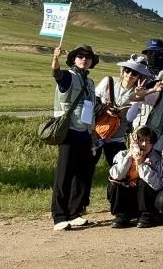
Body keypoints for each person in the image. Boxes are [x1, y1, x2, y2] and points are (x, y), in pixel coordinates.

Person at [50, 44, 99, 231]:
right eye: (80, 56)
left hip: (85, 132)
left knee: (82, 174)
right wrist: (55, 58)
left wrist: (92, 133)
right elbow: (56, 74)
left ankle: (74, 213)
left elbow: (91, 108)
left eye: (88, 57)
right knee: (64, 174)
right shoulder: (68, 76)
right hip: (69, 131)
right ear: (73, 59)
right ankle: (59, 216)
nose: (84, 59)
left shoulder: (90, 82)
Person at [93, 54, 152, 167]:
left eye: (134, 73)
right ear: (122, 70)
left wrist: (137, 97)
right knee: (88, 167)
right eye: (127, 70)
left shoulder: (139, 93)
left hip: (117, 138)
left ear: (139, 77)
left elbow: (130, 118)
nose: (129, 75)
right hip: (97, 133)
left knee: (120, 169)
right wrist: (104, 109)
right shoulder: (108, 81)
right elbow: (93, 100)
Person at [107, 126, 163, 229]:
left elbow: (157, 185)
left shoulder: (157, 158)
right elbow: (116, 175)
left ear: (152, 144)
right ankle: (122, 215)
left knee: (144, 182)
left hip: (145, 200)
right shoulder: (122, 155)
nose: (144, 144)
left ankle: (146, 215)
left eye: (148, 141)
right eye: (141, 140)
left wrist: (141, 164)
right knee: (116, 183)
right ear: (135, 142)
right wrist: (130, 155)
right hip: (126, 198)